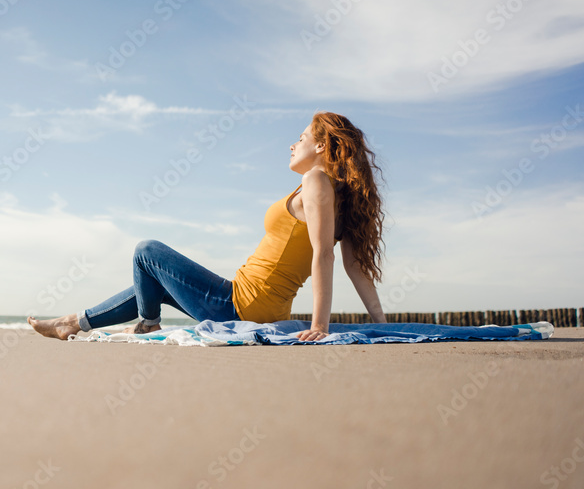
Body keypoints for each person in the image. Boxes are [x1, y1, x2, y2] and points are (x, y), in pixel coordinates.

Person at [28, 111, 387, 342]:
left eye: (302, 138)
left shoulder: (316, 181)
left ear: (321, 146)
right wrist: (382, 323)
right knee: (152, 282)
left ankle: (148, 323)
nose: (293, 145)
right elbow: (355, 267)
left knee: (146, 252)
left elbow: (324, 254)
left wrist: (320, 326)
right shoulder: (339, 198)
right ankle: (75, 323)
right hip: (256, 304)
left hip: (241, 304)